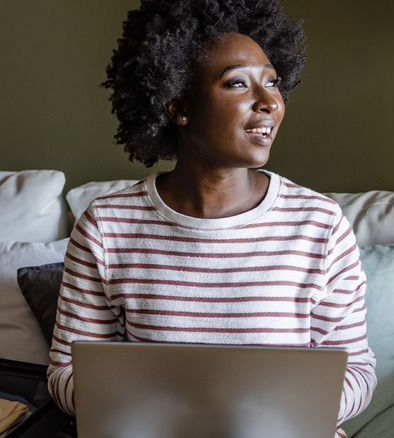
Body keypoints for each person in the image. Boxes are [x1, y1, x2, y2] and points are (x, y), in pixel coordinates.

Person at [47, 1, 376, 436]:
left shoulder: (320, 224)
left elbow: (357, 369)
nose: (270, 103)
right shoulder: (107, 227)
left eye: (273, 83)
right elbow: (65, 372)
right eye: (238, 83)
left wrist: (280, 411)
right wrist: (165, 409)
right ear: (178, 106)